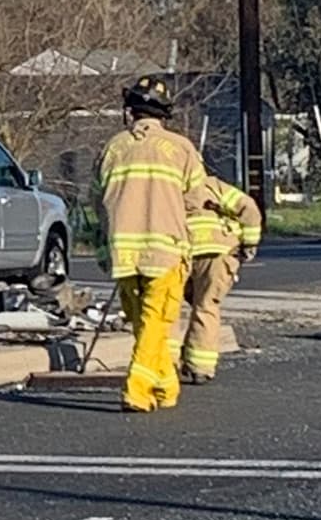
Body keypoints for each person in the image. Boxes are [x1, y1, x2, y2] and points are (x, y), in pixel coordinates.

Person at [90, 75, 206, 413]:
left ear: (130, 112)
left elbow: (95, 201)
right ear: (164, 113)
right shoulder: (180, 149)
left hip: (123, 252)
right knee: (156, 321)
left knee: (143, 322)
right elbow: (196, 200)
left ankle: (165, 385)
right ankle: (137, 390)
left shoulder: (113, 148)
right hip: (165, 251)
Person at [172, 174, 262, 384]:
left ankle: (166, 365)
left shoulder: (167, 188)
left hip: (179, 251)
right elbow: (248, 208)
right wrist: (249, 243)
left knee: (169, 308)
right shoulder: (212, 185)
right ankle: (200, 367)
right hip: (217, 251)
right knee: (206, 306)